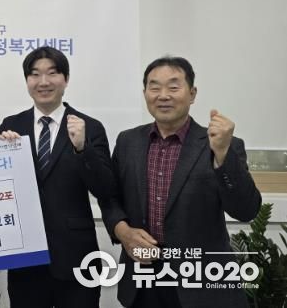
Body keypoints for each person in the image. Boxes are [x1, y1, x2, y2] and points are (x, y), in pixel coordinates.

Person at [102, 56, 262, 308]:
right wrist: (124, 233)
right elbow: (110, 198)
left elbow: (246, 210)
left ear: (192, 94)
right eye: (155, 87)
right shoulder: (127, 142)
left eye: (174, 87)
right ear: (145, 94)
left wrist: (223, 154)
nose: (163, 95)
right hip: (142, 278)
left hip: (201, 280)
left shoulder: (219, 143)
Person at [0, 46, 115, 308]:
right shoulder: (11, 126)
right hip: (26, 258)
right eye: (35, 74)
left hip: (76, 256)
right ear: (27, 80)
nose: (44, 82)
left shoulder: (89, 126)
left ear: (66, 79)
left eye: (52, 73)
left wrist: (82, 148)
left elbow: (105, 189)